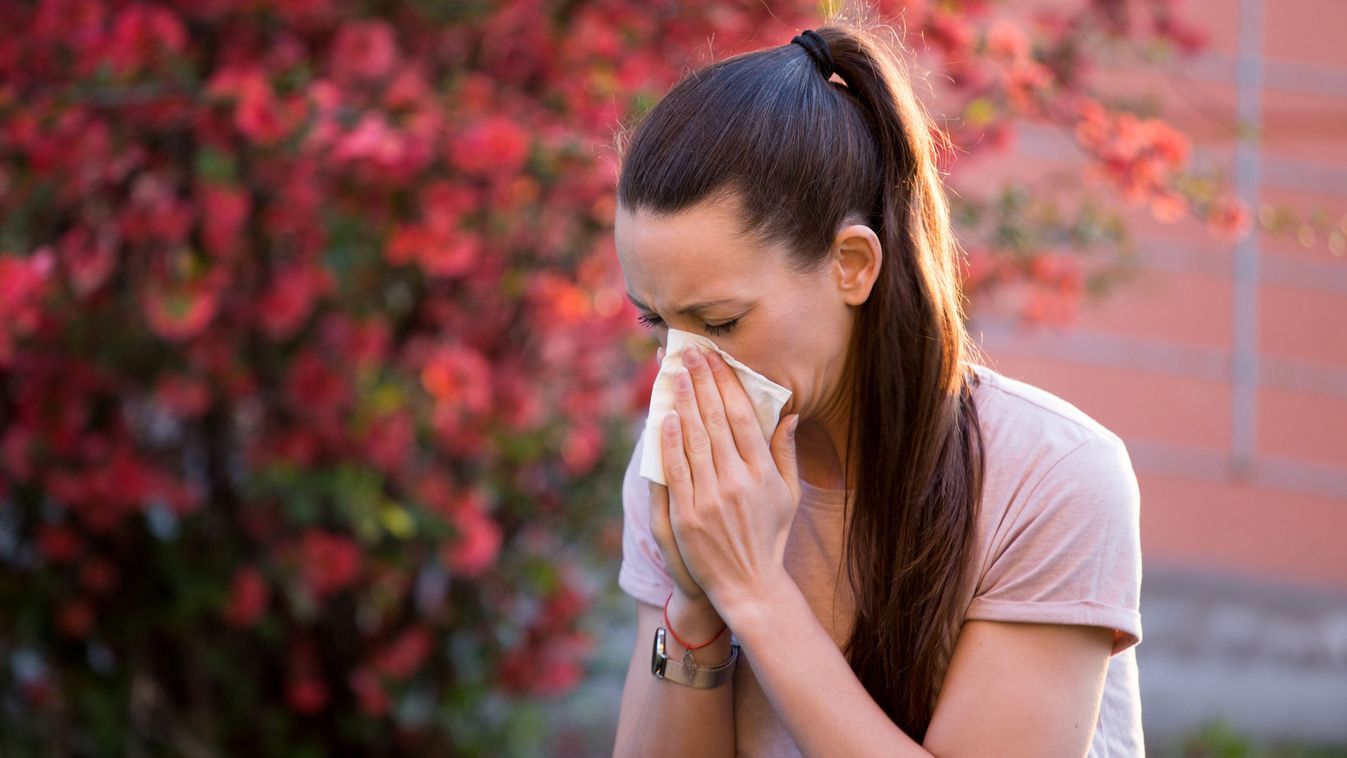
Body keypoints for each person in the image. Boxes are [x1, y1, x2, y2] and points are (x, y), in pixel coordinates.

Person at [609, 18, 1143, 758]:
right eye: (656, 323)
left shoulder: (1050, 476)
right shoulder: (691, 467)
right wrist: (694, 610)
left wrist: (755, 594)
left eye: (720, 322)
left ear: (852, 265)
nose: (682, 370)